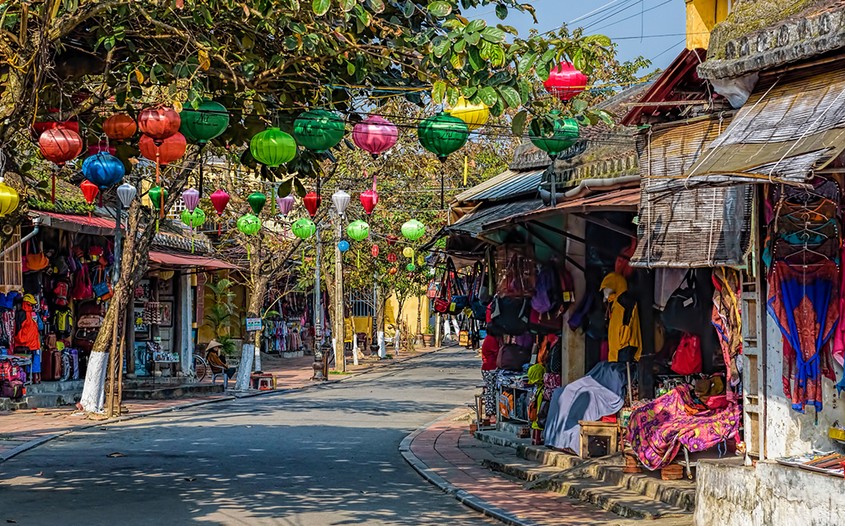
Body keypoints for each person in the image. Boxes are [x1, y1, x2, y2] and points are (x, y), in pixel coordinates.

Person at [480, 334, 500, 424]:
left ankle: (491, 413)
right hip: (490, 368)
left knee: (492, 390)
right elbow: (498, 352)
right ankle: (490, 414)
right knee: (491, 390)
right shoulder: (491, 339)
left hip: (491, 368)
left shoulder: (492, 338)